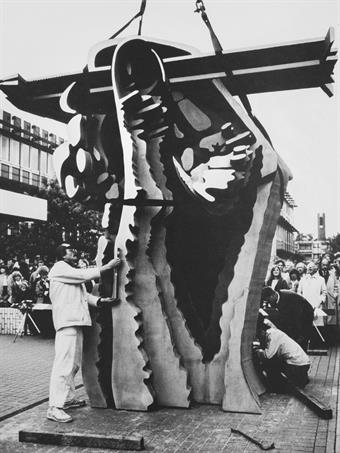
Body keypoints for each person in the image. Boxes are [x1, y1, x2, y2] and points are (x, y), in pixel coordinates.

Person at [47, 244, 121, 423]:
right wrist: (108, 267)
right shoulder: (60, 268)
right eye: (70, 250)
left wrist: (100, 301)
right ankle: (54, 407)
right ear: (61, 254)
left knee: (72, 364)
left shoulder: (69, 273)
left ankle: (67, 399)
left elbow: (84, 296)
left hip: (74, 322)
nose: (74, 252)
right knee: (64, 364)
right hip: (67, 323)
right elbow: (83, 275)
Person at [253, 321, 311, 389]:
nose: (259, 337)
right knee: (277, 359)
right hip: (303, 363)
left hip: (297, 366)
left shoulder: (272, 335)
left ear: (262, 331)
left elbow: (267, 355)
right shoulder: (276, 332)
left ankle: (279, 387)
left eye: (259, 334)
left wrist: (256, 350)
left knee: (269, 364)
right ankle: (301, 378)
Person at [261, 286, 314, 351]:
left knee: (301, 341)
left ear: (273, 295)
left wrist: (299, 336)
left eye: (269, 300)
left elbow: (297, 317)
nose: (269, 303)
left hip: (305, 315)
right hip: (295, 315)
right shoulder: (277, 298)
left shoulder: (288, 299)